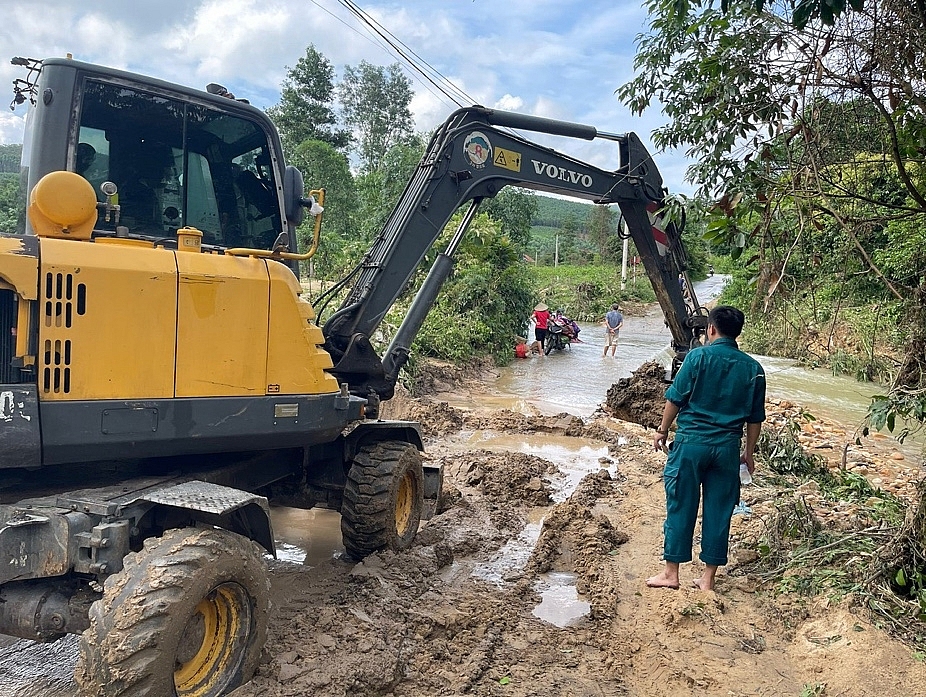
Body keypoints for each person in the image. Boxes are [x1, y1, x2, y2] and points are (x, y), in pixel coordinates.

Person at [647, 305, 766, 592]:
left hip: (691, 444)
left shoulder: (697, 357)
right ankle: (707, 579)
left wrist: (662, 430)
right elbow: (755, 418)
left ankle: (671, 574)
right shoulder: (753, 368)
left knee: (680, 505)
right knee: (719, 510)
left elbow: (675, 398)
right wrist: (748, 454)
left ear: (711, 329)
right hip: (726, 449)